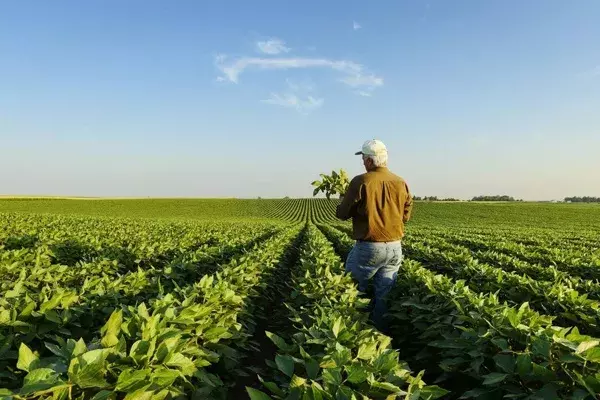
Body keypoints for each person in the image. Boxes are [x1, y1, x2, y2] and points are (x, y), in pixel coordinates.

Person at [336, 139, 413, 331]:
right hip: (395, 247)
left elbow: (343, 214)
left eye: (363, 158)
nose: (362, 162)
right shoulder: (401, 182)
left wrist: (341, 200)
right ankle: (379, 337)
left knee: (352, 290)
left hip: (369, 248)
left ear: (370, 161)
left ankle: (353, 333)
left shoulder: (361, 181)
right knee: (384, 296)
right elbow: (406, 215)